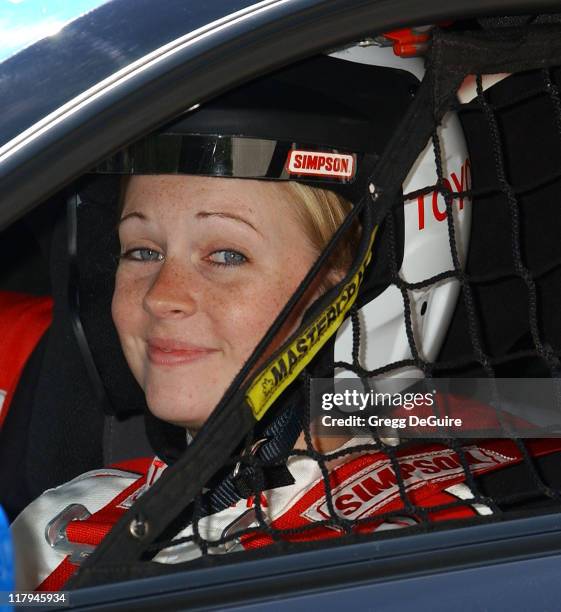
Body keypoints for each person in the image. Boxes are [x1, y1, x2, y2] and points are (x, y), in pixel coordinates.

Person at [10, 50, 561, 592]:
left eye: (227, 255)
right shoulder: (61, 521)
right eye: (142, 251)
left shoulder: (445, 546)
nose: (162, 297)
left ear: (361, 287)